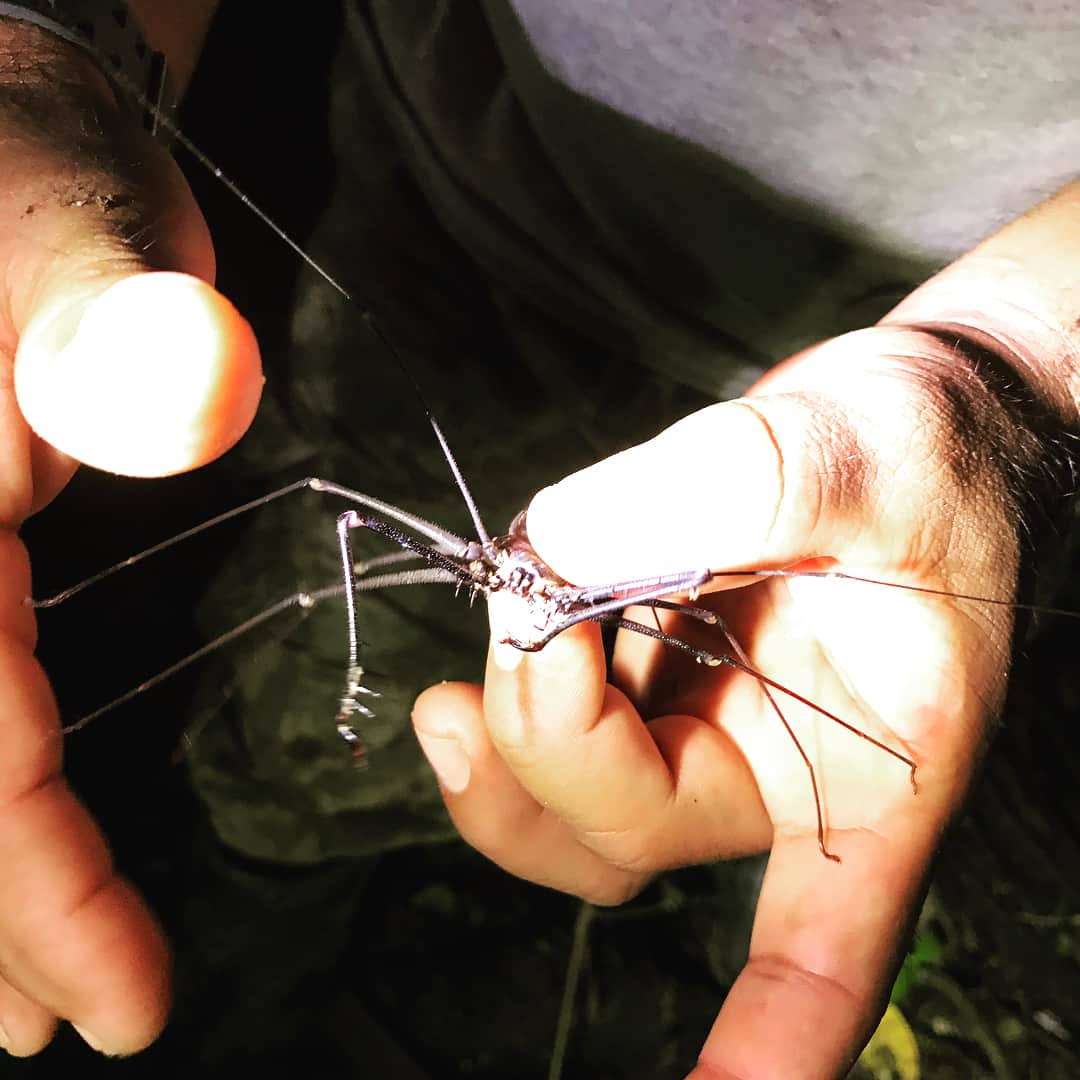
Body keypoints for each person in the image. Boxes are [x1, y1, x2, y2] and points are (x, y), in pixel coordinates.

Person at [0, 3, 1076, 1078]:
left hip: (874, 336)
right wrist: (50, 62)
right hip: (466, 207)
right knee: (323, 557)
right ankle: (246, 948)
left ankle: (700, 926)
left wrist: (1013, 368)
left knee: (727, 657)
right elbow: (343, 508)